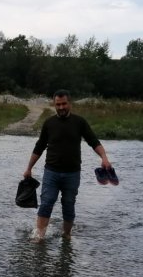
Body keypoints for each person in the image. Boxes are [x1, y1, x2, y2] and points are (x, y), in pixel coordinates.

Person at [23, 89, 112, 240]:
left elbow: (93, 141)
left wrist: (104, 157)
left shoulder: (80, 122)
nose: (61, 107)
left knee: (69, 205)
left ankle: (67, 236)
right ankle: (38, 237)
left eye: (64, 104)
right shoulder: (49, 123)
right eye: (58, 104)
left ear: (69, 103)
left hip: (72, 173)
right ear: (54, 104)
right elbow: (39, 147)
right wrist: (29, 168)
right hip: (51, 172)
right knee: (46, 202)